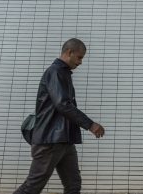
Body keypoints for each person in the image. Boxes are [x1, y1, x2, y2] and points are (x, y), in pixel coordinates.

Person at [13, 38, 105, 194]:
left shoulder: (63, 72)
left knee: (73, 185)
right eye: (79, 57)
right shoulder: (55, 72)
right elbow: (63, 104)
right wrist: (90, 124)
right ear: (69, 52)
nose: (81, 62)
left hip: (64, 140)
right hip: (50, 140)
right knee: (32, 187)